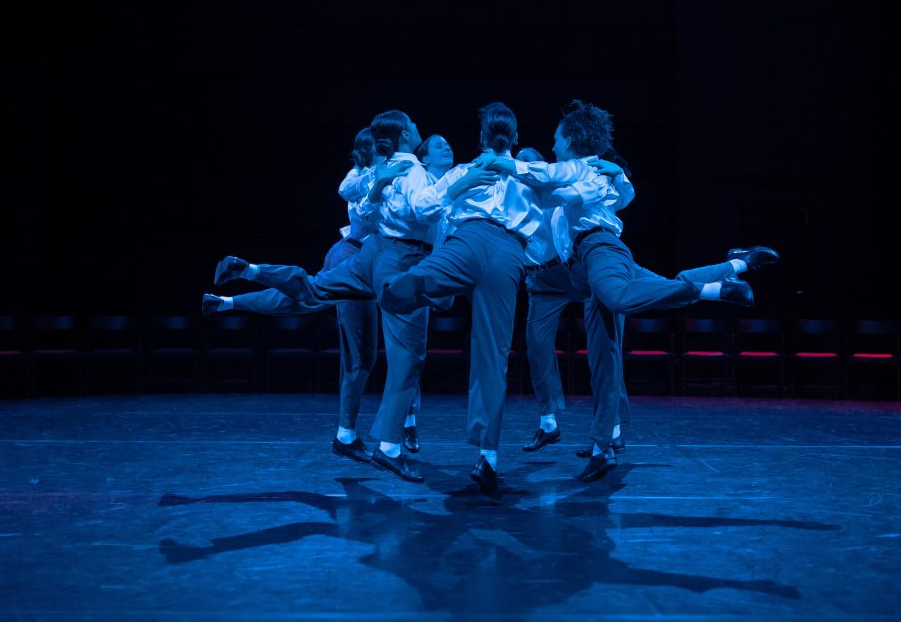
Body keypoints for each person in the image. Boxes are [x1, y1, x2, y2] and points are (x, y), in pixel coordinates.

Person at [473, 100, 779, 483]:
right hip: (585, 267)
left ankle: (714, 290)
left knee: (621, 299)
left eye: (555, 139)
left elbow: (563, 183)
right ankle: (737, 264)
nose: (552, 146)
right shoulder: (576, 175)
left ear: (570, 140)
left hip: (600, 250)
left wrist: (518, 167)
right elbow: (581, 192)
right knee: (605, 355)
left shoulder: (580, 168)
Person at [210, 112, 492, 485]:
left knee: (313, 289)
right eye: (417, 127)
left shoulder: (386, 167)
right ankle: (390, 447)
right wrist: (461, 184)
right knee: (407, 357)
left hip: (372, 252)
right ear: (407, 135)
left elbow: (357, 201)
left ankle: (252, 271)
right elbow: (424, 208)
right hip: (399, 259)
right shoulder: (411, 171)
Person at [377, 102, 609, 501]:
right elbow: (570, 196)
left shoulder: (483, 171)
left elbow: (426, 209)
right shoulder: (508, 174)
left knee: (435, 283)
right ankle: (488, 457)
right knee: (492, 352)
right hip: (501, 254)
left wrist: (454, 187)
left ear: (483, 137)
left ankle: (408, 286)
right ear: (512, 138)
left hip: (476, 244)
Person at [200, 126, 390, 464]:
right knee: (359, 356)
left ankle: (228, 300)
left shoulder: (369, 173)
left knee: (303, 299)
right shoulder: (363, 177)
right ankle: (346, 435)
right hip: (357, 259)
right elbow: (355, 199)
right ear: (375, 147)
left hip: (352, 255)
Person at [516, 146, 633, 461]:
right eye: (520, 160)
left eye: (531, 160)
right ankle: (548, 421)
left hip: (571, 268)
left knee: (606, 343)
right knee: (536, 344)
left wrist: (615, 174)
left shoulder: (558, 187)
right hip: (540, 279)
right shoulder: (512, 194)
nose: (524, 164)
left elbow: (607, 197)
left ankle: (614, 427)